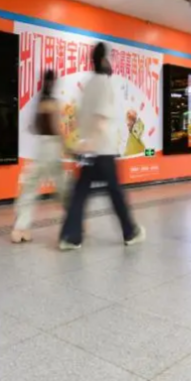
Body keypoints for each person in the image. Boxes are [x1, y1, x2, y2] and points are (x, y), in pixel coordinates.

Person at [59, 42, 145, 250]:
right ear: (104, 59)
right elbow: (100, 118)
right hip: (102, 149)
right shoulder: (104, 83)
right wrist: (92, 142)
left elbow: (81, 116)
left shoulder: (88, 84)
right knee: (115, 192)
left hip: (88, 151)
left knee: (80, 193)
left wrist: (83, 144)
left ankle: (71, 237)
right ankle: (130, 231)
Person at [12, 71, 66, 243]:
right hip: (52, 146)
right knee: (63, 187)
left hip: (40, 147)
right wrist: (66, 145)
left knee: (29, 188)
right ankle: (75, 221)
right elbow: (56, 128)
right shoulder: (54, 103)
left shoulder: (39, 102)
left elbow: (33, 127)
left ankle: (20, 228)